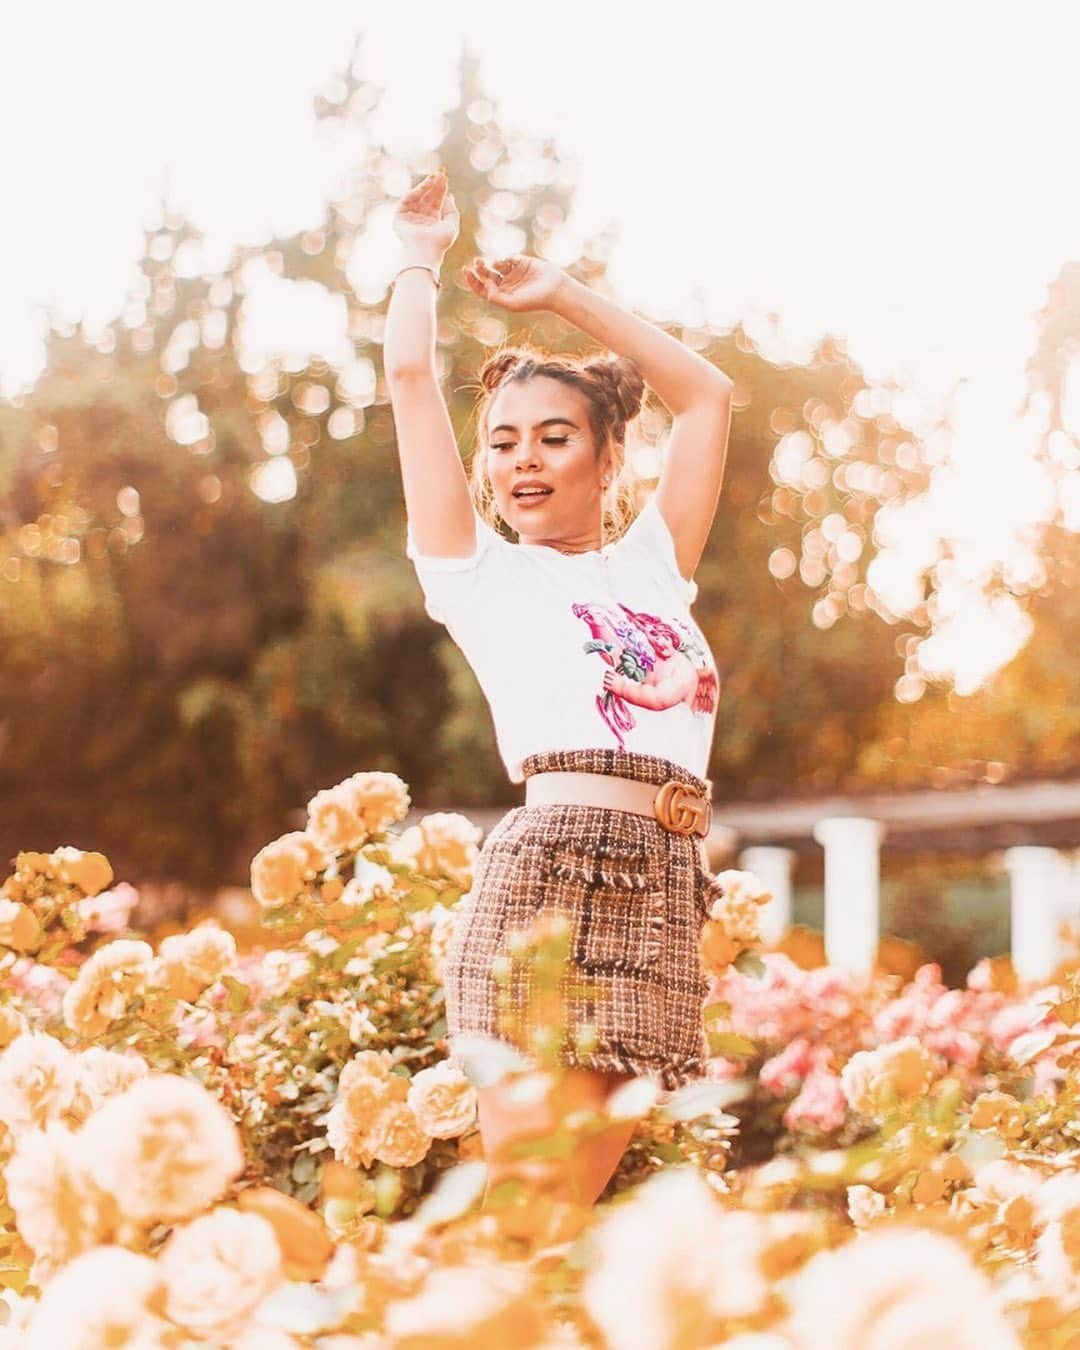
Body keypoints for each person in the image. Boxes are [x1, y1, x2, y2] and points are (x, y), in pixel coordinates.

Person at [385, 168, 733, 1208]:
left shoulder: (652, 565)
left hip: (667, 875)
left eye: (552, 436)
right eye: (501, 443)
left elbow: (708, 395)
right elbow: (409, 381)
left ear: (607, 454)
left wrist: (565, 295)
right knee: (529, 1208)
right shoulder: (481, 576)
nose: (520, 463)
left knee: (560, 1217)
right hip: (554, 878)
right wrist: (417, 256)